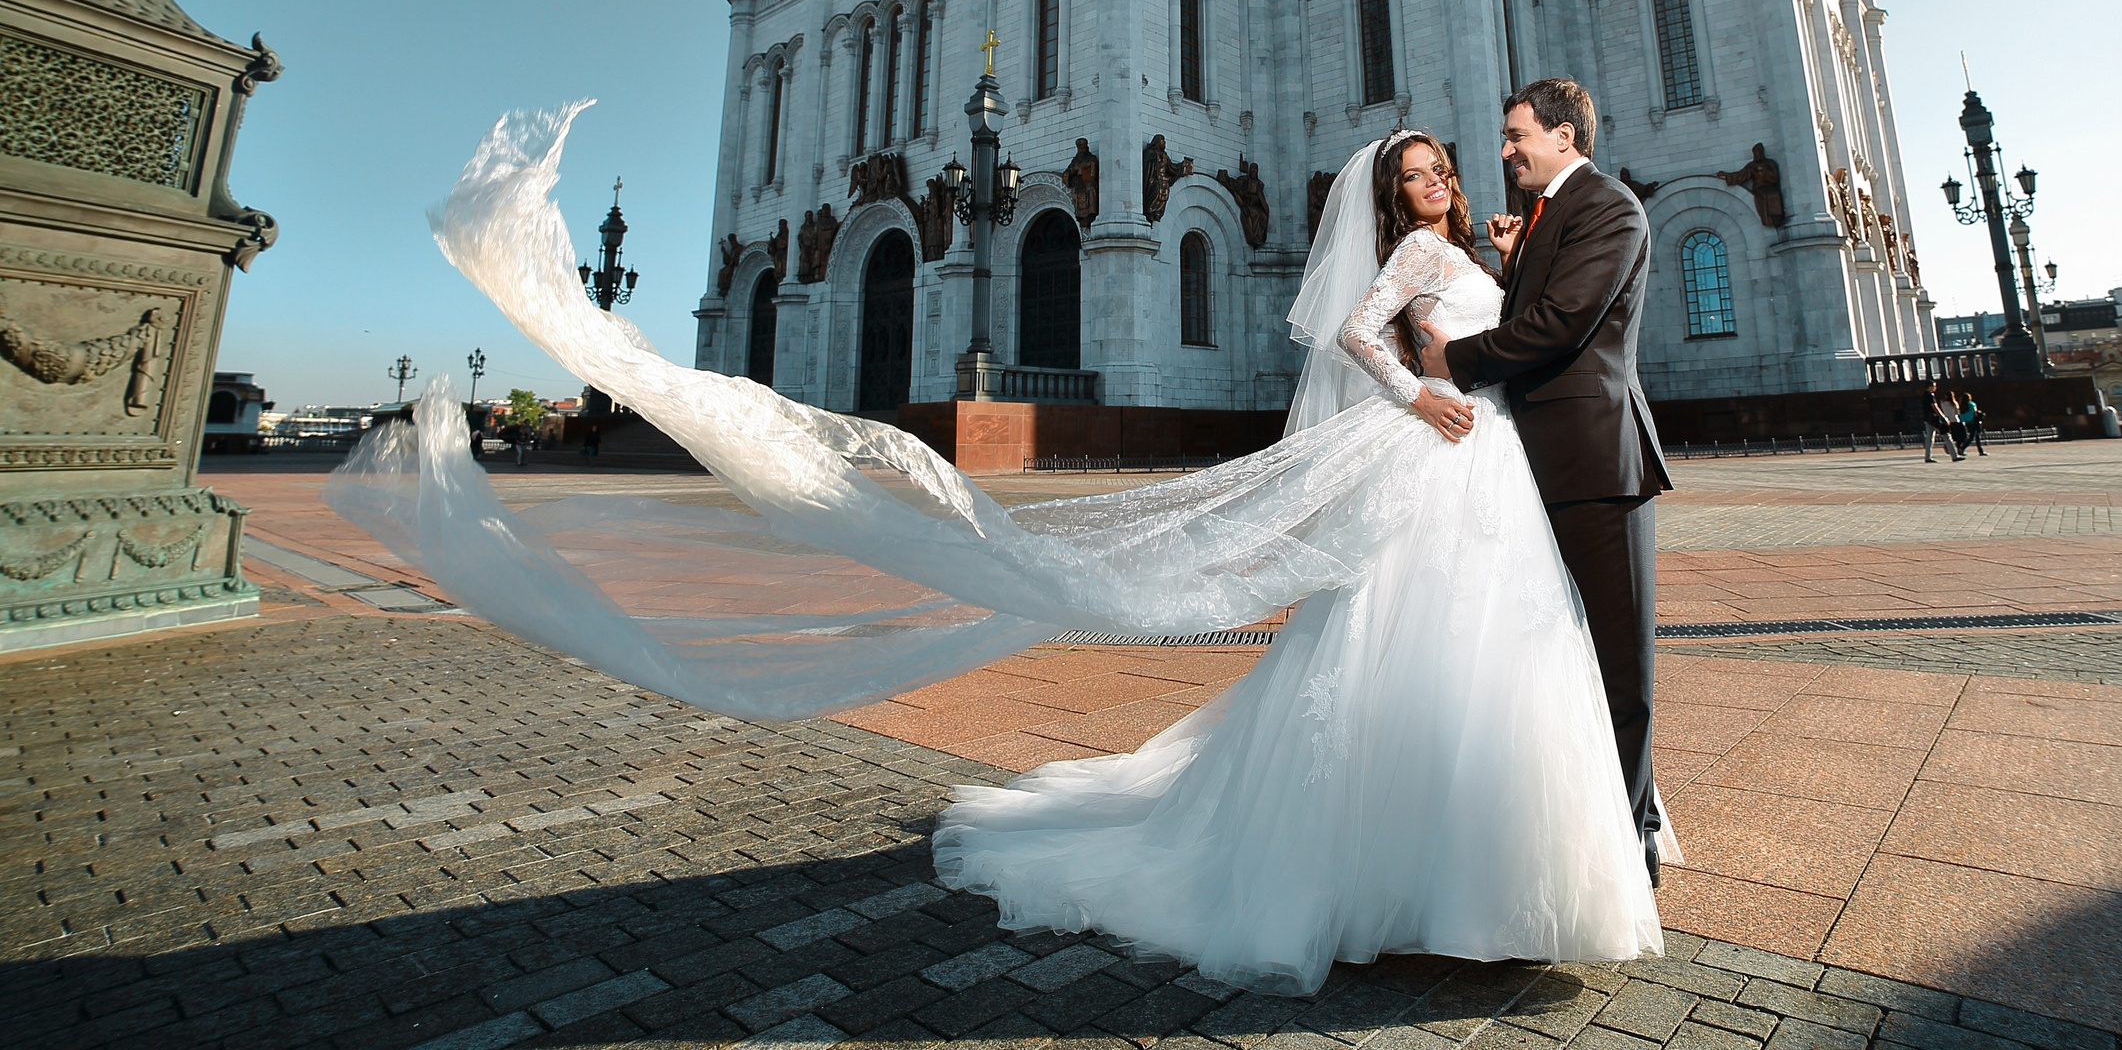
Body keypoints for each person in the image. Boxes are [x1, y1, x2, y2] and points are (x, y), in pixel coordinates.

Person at [334, 107, 1661, 998]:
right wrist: (1425, 383)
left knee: (1480, 655)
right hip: (1446, 453)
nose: (1449, 176)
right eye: (1426, 170)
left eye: (1464, 160)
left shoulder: (1488, 234)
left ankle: (1477, 862)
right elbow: (1382, 334)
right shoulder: (1423, 251)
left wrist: (1470, 301)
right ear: (1394, 192)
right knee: (1412, 649)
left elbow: (1509, 315)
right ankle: (1429, 871)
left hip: (1483, 475)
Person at [1417, 76, 1675, 882]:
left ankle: (1630, 838)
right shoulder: (1549, 215)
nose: (1504, 150)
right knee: (1559, 656)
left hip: (1597, 464)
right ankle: (1583, 821)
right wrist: (1514, 260)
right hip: (1538, 463)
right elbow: (1543, 302)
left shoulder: (1611, 205)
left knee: (1618, 660)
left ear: (1565, 136)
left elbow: (1564, 325)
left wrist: (1448, 361)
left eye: (1516, 134)